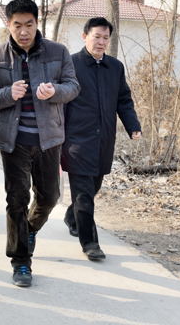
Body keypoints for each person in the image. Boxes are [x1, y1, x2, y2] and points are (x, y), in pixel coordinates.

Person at [0, 0, 80, 288]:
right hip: (14, 141)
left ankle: (29, 229)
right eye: (17, 25)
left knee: (49, 197)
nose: (23, 31)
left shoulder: (58, 52)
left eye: (29, 25)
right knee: (17, 200)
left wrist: (54, 91)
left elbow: (73, 87)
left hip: (49, 139)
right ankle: (20, 261)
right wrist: (8, 93)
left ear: (37, 24)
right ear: (8, 26)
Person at [61, 17, 141, 261]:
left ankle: (72, 216)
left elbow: (123, 100)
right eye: (97, 36)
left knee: (92, 188)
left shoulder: (115, 67)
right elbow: (61, 103)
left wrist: (133, 125)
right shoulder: (71, 64)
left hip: (104, 140)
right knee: (84, 194)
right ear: (85, 36)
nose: (101, 42)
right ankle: (90, 243)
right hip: (76, 141)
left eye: (106, 38)